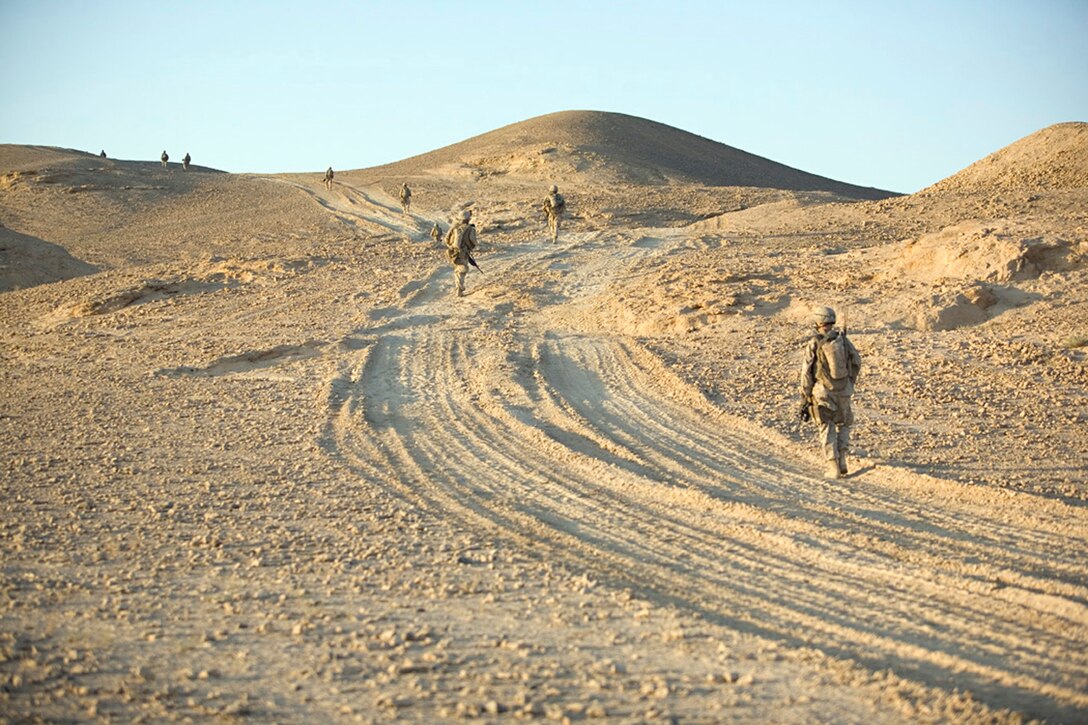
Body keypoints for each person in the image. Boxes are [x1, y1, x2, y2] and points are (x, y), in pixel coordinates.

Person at [800, 306, 861, 479]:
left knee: (826, 426)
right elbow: (856, 361)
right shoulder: (842, 340)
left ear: (817, 322)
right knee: (844, 424)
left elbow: (806, 372)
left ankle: (832, 466)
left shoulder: (814, 343)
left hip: (823, 391)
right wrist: (849, 383)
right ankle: (843, 459)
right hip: (844, 390)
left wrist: (805, 395)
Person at [444, 209, 478, 298]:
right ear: (468, 219)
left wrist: (451, 246)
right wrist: (470, 248)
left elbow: (446, 240)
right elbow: (473, 241)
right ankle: (459, 290)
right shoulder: (470, 229)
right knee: (462, 271)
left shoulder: (454, 228)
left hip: (453, 253)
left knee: (457, 271)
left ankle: (458, 288)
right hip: (463, 253)